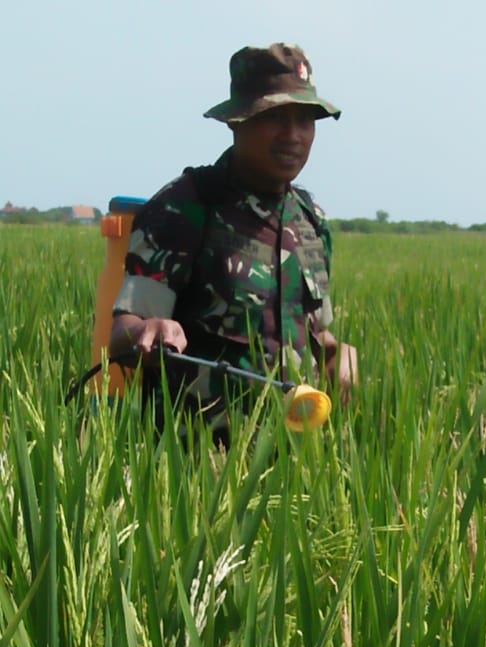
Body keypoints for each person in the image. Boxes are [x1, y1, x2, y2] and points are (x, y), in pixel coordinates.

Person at [109, 42, 357, 427]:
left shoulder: (310, 221)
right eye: (276, 117)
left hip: (294, 451)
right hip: (196, 458)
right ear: (237, 121)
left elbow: (312, 334)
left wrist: (335, 352)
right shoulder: (185, 207)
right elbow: (122, 336)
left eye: (305, 120)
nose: (293, 135)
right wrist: (148, 329)